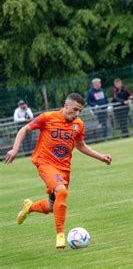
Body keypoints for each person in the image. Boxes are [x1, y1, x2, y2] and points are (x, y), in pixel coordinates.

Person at [4, 93, 112, 249]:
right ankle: (60, 235)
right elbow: (24, 129)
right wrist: (15, 149)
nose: (76, 114)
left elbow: (80, 145)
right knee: (61, 191)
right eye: (74, 109)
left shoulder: (78, 124)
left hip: (64, 169)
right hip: (45, 163)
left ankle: (30, 207)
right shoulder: (48, 117)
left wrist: (100, 157)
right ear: (66, 106)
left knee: (51, 206)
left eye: (80, 111)